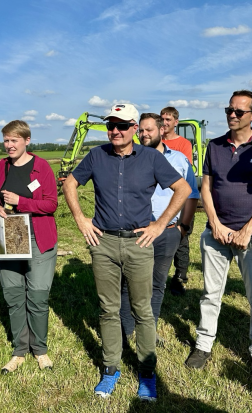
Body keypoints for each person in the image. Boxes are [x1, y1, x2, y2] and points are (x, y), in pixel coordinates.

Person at [62, 103, 191, 401]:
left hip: (138, 242)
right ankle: (110, 369)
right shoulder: (97, 155)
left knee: (143, 310)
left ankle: (147, 372)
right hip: (103, 243)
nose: (115, 131)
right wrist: (81, 219)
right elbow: (70, 183)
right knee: (108, 309)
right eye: (111, 125)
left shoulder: (150, 158)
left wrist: (159, 225)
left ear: (134, 128)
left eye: (121, 125)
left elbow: (182, 189)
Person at [185, 90, 252, 386]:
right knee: (210, 295)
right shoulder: (214, 146)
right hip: (216, 234)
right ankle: (203, 346)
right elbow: (206, 187)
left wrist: (247, 230)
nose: (232, 114)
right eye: (229, 109)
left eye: (239, 111)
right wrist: (214, 223)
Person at [120, 113, 199, 343]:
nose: (144, 135)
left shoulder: (179, 160)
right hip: (136, 231)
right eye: (141, 131)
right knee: (128, 283)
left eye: (149, 130)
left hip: (167, 232)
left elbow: (192, 195)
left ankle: (148, 331)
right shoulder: (129, 159)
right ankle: (126, 329)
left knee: (157, 283)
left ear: (162, 130)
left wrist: (183, 227)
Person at [0, 120, 58, 374]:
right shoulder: (1, 166)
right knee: (14, 296)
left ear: (27, 141)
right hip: (8, 236)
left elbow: (51, 204)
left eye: (14, 140)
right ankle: (20, 350)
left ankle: (40, 350)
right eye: (6, 140)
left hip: (38, 238)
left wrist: (22, 201)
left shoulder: (41, 167)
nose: (9, 145)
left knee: (38, 296)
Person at [160, 106, 194, 296]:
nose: (164, 122)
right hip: (159, 197)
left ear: (175, 122)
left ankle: (180, 276)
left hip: (177, 195)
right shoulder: (155, 141)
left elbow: (182, 172)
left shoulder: (183, 144)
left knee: (181, 236)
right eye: (162, 119)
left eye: (168, 119)